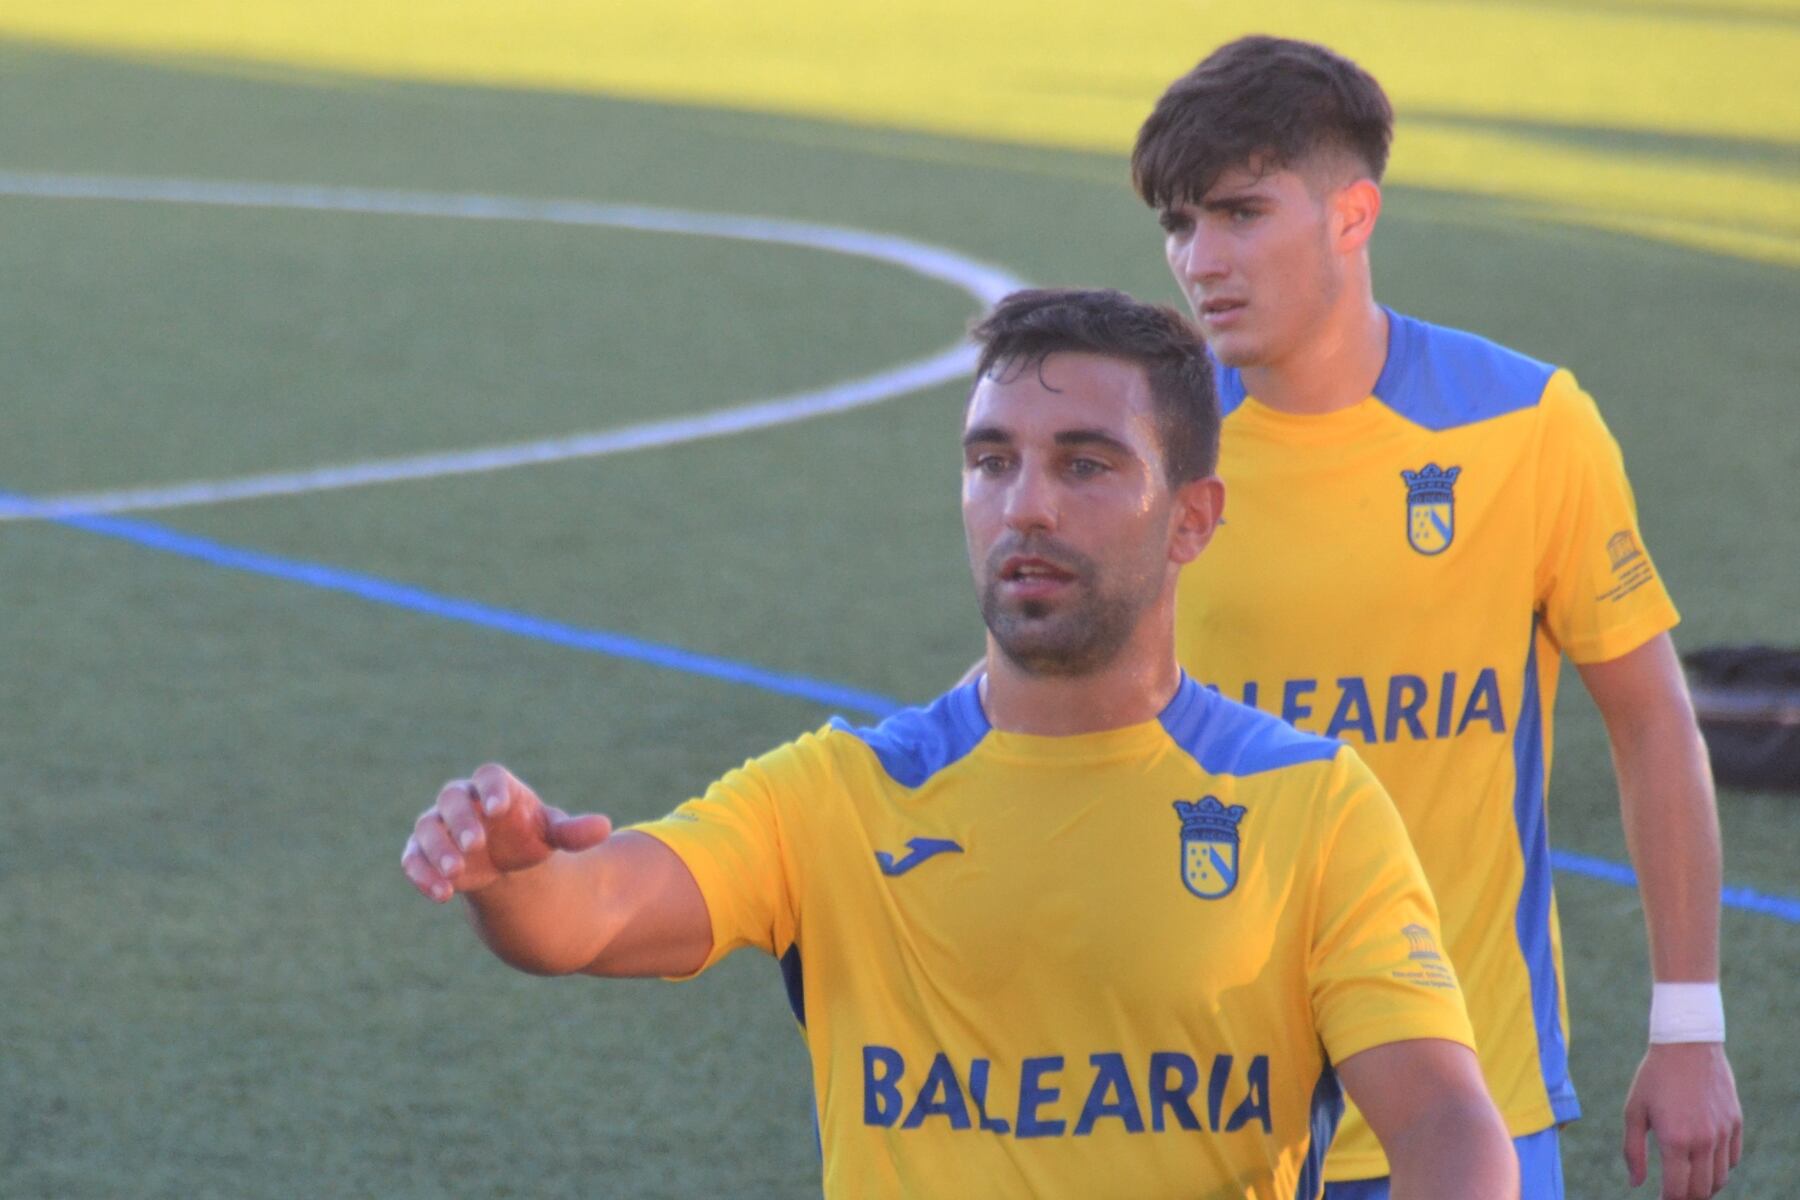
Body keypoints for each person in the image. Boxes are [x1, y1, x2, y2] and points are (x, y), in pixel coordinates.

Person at [402, 288, 1518, 1199]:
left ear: (1194, 517)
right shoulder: (841, 794)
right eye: (993, 462)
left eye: (1086, 464)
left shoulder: (1308, 803)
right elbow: (591, 915)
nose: (1026, 505)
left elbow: (1444, 1126)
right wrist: (517, 874)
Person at [1129, 35, 1743, 1200]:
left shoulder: (1527, 426)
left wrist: (1689, 1024)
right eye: (1178, 224)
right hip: (1190, 1109)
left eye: (1241, 213)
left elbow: (1654, 720)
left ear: (1352, 215)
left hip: (1468, 1112)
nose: (1200, 259)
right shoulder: (1144, 445)